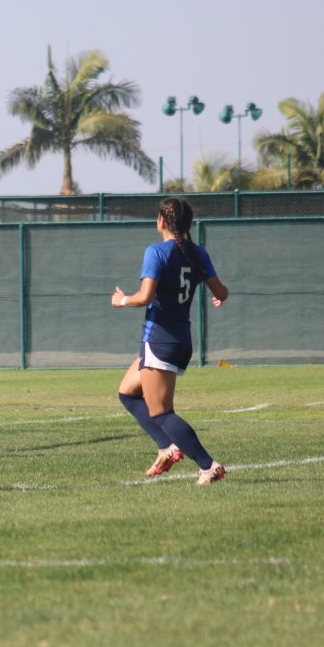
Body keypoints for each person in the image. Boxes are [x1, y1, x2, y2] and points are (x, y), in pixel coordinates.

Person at [111, 197, 230, 485]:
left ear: (162, 221)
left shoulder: (157, 252)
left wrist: (122, 300)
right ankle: (168, 446)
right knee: (127, 393)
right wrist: (218, 296)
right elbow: (222, 292)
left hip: (159, 339)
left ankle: (207, 465)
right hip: (180, 340)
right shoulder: (198, 253)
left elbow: (145, 297)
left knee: (162, 412)